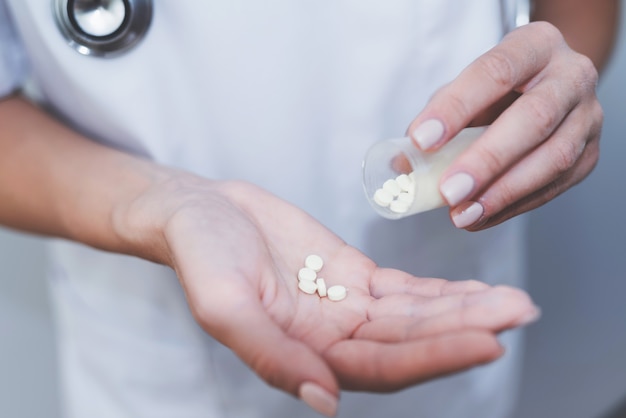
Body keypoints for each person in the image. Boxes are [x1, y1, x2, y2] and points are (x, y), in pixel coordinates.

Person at [0, 1, 618, 417]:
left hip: (438, 298)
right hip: (155, 356)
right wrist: (166, 206)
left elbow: (579, 16)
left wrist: (550, 96)